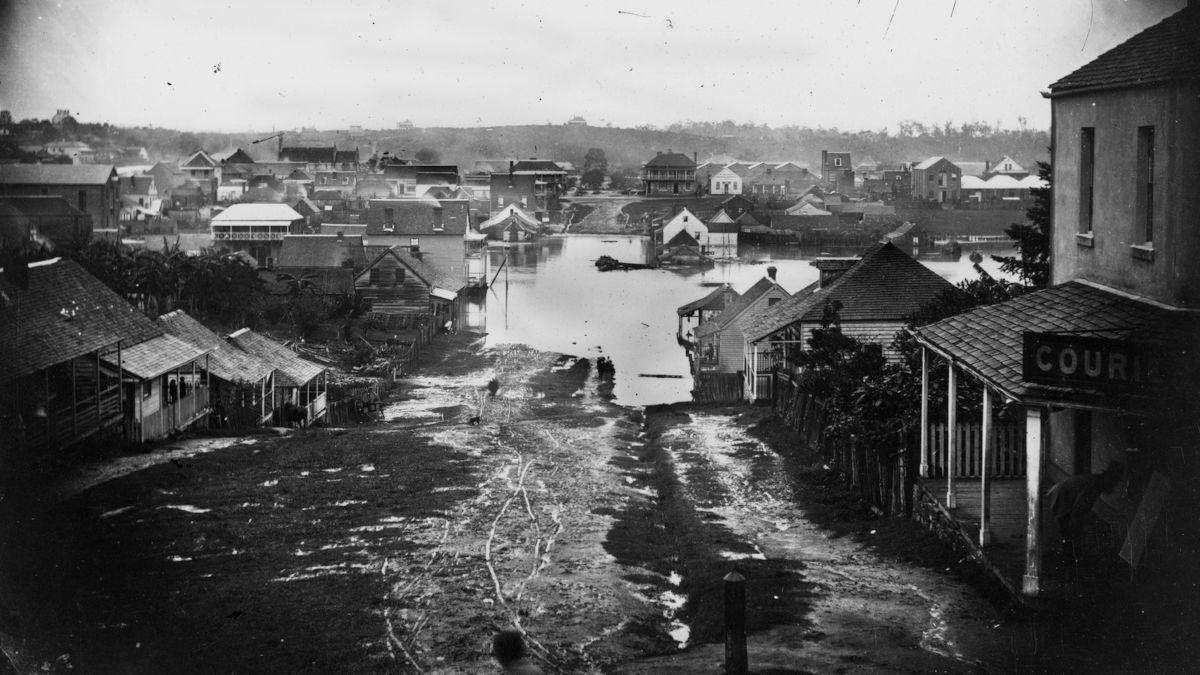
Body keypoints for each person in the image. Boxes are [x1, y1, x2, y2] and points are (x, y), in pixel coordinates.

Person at [1047, 460, 1124, 556]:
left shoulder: (1097, 482)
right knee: (1067, 531)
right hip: (1061, 496)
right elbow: (1078, 509)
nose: (1114, 487)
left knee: (1070, 533)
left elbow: (1082, 509)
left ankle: (1070, 553)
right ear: (1108, 478)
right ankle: (1069, 555)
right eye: (1113, 483)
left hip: (1063, 494)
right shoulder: (1094, 485)